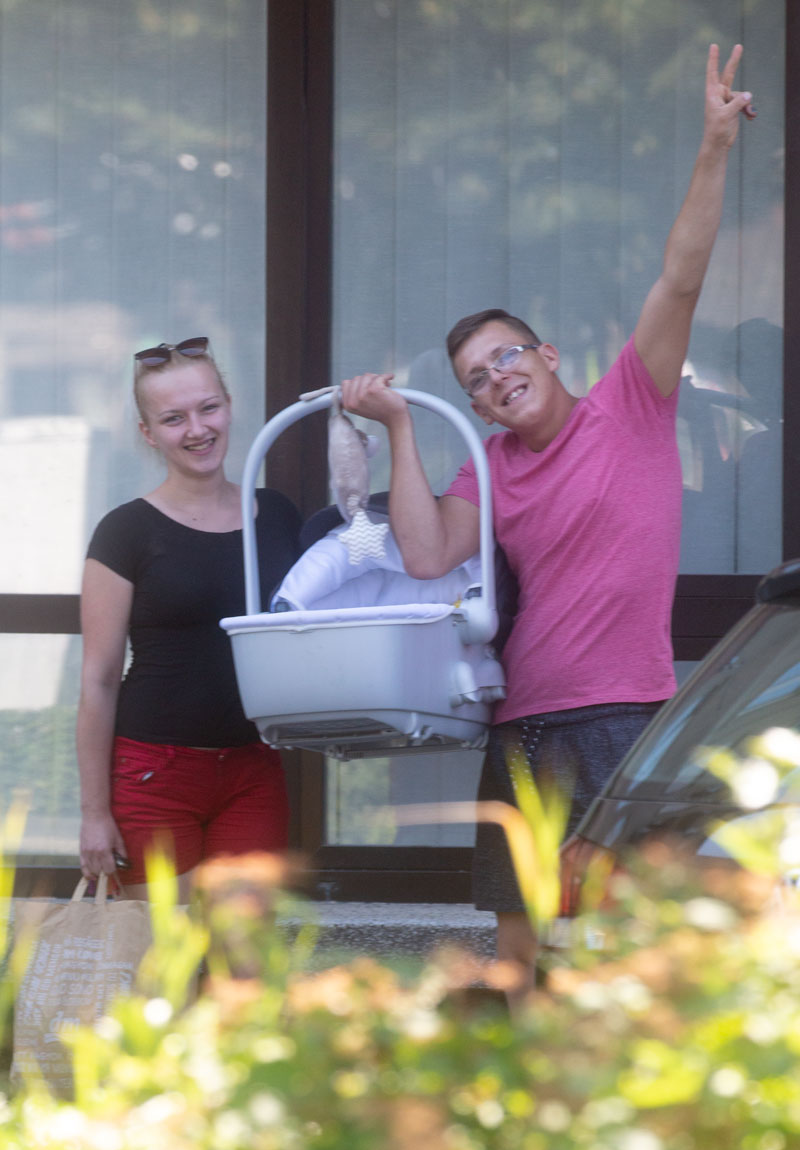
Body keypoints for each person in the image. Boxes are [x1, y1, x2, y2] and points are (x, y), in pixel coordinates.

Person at [338, 44, 756, 989]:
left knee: (638, 945)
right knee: (519, 946)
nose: (496, 377)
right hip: (523, 724)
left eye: (507, 356)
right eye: (476, 380)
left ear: (549, 355)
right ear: (478, 409)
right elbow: (425, 555)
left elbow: (680, 279)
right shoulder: (486, 463)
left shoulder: (631, 405)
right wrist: (400, 426)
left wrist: (714, 145)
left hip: (625, 715)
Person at [77, 337, 301, 901]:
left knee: (243, 951)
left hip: (253, 769)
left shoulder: (277, 515)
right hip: (154, 772)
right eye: (173, 418)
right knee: (164, 953)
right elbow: (98, 679)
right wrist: (94, 814)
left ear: (229, 405)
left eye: (208, 408)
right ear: (148, 432)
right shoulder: (125, 531)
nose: (197, 429)